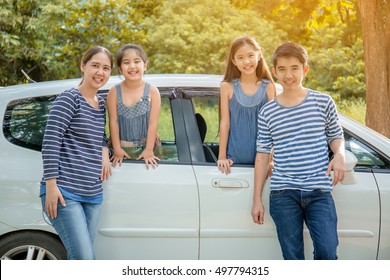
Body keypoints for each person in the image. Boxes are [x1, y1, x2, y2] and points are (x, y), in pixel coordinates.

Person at [251, 42, 346, 260]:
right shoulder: (268, 112)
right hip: (284, 193)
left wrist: (339, 155)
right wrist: (257, 199)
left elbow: (335, 136)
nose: (288, 75)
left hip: (319, 192)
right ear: (275, 72)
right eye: (282, 69)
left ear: (305, 69)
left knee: (327, 251)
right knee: (292, 257)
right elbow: (263, 155)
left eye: (294, 68)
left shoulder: (323, 102)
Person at [40, 46, 113, 260]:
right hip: (65, 193)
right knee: (84, 259)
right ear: (83, 66)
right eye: (95, 66)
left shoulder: (100, 105)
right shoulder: (69, 99)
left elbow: (100, 135)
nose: (100, 72)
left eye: (106, 68)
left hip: (93, 194)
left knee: (82, 258)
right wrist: (51, 186)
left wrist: (104, 149)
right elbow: (50, 142)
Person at [218, 35, 276, 175]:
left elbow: (274, 126)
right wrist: (222, 157)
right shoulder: (227, 87)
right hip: (235, 162)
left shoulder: (268, 87)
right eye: (240, 58)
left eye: (251, 55)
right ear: (234, 61)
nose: (247, 61)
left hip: (264, 162)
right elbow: (225, 123)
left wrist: (272, 159)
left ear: (259, 55)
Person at [107, 44, 161, 169]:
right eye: (126, 62)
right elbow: (113, 122)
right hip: (120, 151)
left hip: (148, 149)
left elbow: (153, 123)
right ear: (120, 68)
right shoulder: (114, 92)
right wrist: (117, 149)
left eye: (137, 61)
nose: (132, 66)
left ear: (145, 65)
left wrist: (148, 150)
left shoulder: (153, 92)